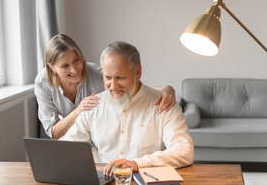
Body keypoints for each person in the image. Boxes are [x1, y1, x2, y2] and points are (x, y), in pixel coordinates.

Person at [60, 41, 194, 176]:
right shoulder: (93, 106)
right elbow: (67, 147)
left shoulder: (164, 104)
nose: (113, 86)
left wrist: (136, 164)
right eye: (107, 77)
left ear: (138, 72)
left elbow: (184, 150)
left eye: (120, 77)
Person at [35, 34, 177, 139]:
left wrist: (166, 89)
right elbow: (53, 133)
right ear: (52, 68)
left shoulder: (97, 74)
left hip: (96, 137)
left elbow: (132, 87)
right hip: (71, 139)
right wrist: (79, 110)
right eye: (65, 66)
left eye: (77, 60)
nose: (74, 70)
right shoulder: (43, 84)